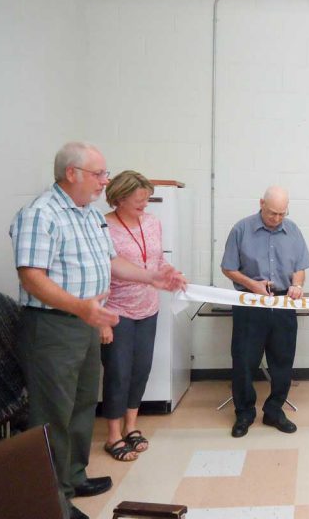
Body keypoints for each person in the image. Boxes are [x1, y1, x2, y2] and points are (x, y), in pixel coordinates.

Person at [10, 142, 185, 519]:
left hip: (88, 320)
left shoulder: (87, 215)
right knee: (53, 412)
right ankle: (53, 501)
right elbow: (31, 277)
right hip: (55, 325)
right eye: (99, 174)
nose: (105, 182)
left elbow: (113, 262)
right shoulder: (41, 214)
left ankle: (74, 477)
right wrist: (80, 307)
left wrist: (152, 276)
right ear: (71, 173)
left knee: (83, 403)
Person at [221, 186, 309, 437]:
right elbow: (228, 268)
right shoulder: (241, 229)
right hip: (250, 302)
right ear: (261, 203)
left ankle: (274, 411)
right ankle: (244, 413)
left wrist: (297, 284)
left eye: (282, 213)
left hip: (283, 304)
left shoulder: (292, 230)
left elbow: (301, 266)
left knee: (282, 360)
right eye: (273, 213)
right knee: (244, 361)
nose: (277, 219)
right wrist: (253, 285)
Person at [101, 171, 175, 462]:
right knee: (117, 371)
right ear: (119, 198)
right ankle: (113, 435)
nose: (145, 205)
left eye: (146, 199)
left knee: (141, 368)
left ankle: (131, 426)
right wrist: (102, 317)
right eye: (138, 201)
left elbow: (157, 260)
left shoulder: (152, 223)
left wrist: (170, 272)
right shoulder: (103, 226)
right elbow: (103, 269)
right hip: (116, 309)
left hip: (148, 307)